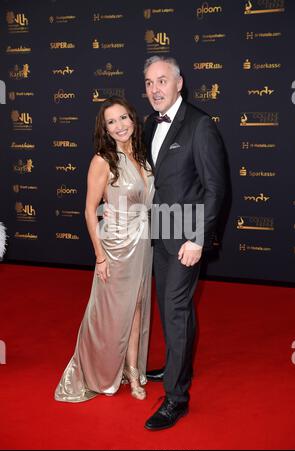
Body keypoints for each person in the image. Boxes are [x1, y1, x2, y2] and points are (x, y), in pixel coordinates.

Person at [143, 56, 227, 430]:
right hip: (159, 232)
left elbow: (216, 189)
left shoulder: (200, 125)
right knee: (171, 308)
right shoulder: (148, 124)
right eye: (149, 83)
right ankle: (178, 364)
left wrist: (197, 238)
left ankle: (176, 398)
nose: (155, 89)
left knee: (175, 311)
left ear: (180, 83)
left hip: (186, 239)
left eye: (162, 81)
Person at [55, 96, 154, 403]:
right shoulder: (102, 159)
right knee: (109, 315)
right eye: (112, 122)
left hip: (143, 241)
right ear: (105, 129)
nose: (120, 126)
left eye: (123, 118)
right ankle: (98, 371)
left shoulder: (141, 153)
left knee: (137, 309)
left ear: (133, 120)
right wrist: (99, 256)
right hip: (115, 246)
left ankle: (133, 371)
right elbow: (89, 210)